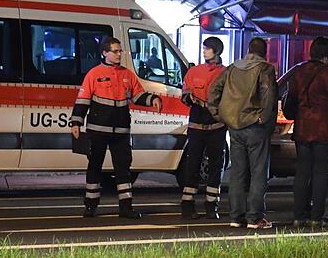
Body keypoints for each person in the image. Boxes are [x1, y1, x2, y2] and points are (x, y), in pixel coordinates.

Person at [70, 37, 162, 220]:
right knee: (94, 167)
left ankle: (126, 207)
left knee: (124, 169)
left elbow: (138, 95)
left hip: (121, 131)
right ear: (105, 53)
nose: (120, 54)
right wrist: (76, 122)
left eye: (120, 51)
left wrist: (153, 100)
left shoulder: (127, 74)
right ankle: (90, 206)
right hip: (98, 130)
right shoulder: (93, 74)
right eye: (116, 51)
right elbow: (82, 100)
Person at [209, 37, 278, 230]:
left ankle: (236, 216)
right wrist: (263, 119)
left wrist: (219, 114)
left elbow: (214, 90)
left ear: (248, 49)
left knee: (237, 173)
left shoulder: (233, 67)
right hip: (255, 127)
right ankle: (254, 217)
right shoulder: (265, 68)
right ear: (264, 52)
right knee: (258, 173)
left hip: (235, 126)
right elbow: (269, 96)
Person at [288, 37, 328, 227]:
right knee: (321, 173)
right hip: (324, 129)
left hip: (303, 129)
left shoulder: (299, 71)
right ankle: (316, 216)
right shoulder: (327, 73)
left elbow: (292, 100)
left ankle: (299, 215)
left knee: (302, 172)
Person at [179, 36, 227, 220]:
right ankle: (187, 205)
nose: (204, 51)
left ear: (217, 51)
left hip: (217, 126)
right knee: (192, 165)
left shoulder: (226, 73)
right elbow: (184, 95)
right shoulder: (194, 71)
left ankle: (211, 205)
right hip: (197, 126)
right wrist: (192, 99)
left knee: (216, 166)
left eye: (207, 48)